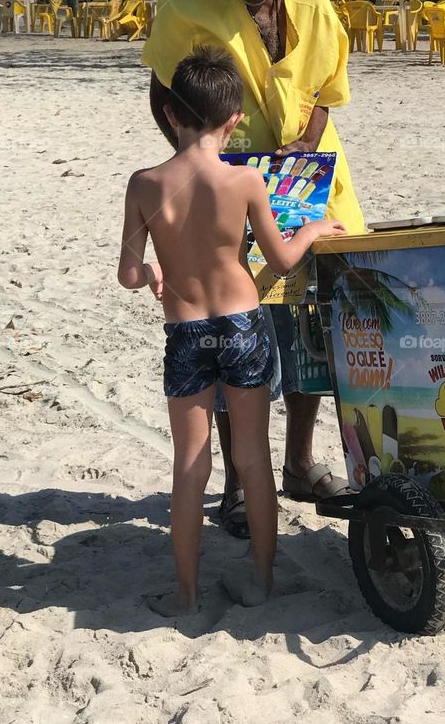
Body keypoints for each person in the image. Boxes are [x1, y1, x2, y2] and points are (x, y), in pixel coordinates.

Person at [142, 0, 366, 538]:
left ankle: (297, 463)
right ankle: (242, 485)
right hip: (229, 182)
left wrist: (304, 144)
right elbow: (164, 95)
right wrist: (201, 164)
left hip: (310, 177)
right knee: (245, 329)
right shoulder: (188, 4)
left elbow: (326, 93)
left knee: (310, 328)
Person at [118, 46, 346, 614]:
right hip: (243, 326)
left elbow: (127, 274)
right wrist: (314, 228)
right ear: (235, 120)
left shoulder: (144, 184)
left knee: (190, 464)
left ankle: (187, 595)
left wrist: (152, 271)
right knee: (252, 457)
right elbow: (283, 260)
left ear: (171, 115)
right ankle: (263, 583)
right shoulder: (245, 182)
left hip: (188, 331)